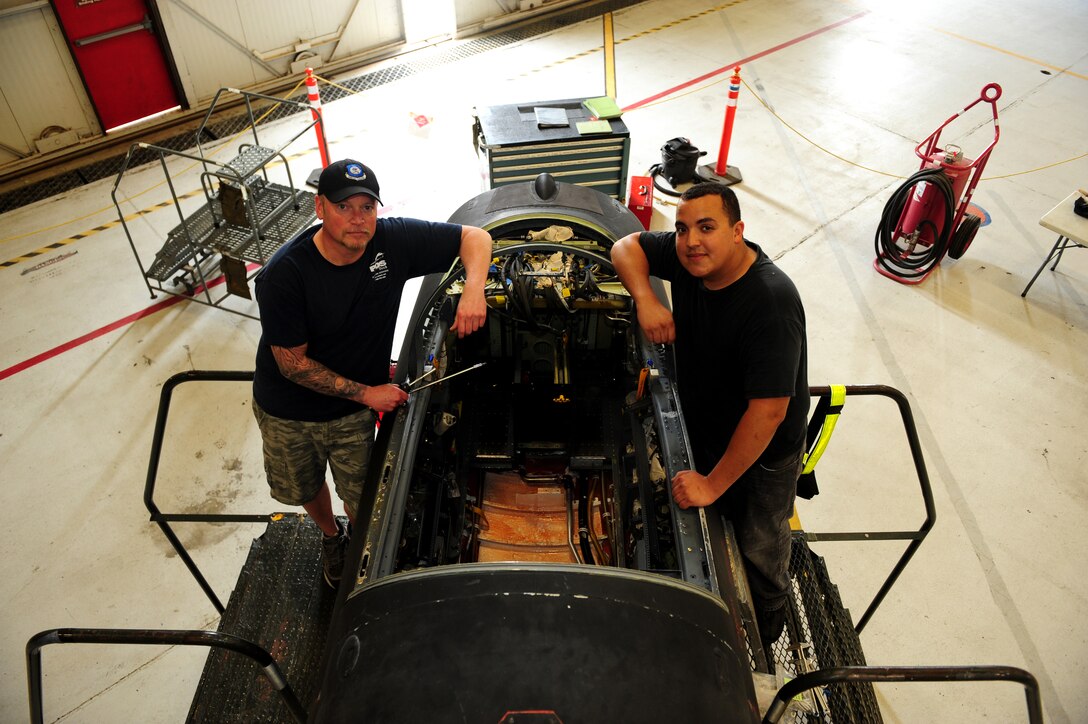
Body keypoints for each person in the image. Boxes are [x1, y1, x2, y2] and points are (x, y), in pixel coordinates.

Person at [252, 158, 492, 588]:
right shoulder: (286, 274)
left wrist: (475, 289)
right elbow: (290, 364)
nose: (358, 220)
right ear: (319, 207)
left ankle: (361, 541)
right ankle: (331, 536)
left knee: (363, 494)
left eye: (367, 207)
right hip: (290, 410)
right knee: (304, 487)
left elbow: (474, 236)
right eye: (345, 207)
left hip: (352, 413)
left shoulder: (392, 240)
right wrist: (368, 394)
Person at [610, 181, 808, 652]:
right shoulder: (689, 259)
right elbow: (624, 246)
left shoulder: (770, 303)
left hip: (761, 455)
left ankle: (766, 638)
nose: (691, 240)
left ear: (738, 231)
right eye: (681, 229)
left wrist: (713, 484)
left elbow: (769, 413)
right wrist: (646, 299)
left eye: (706, 227)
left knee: (761, 547)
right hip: (707, 421)